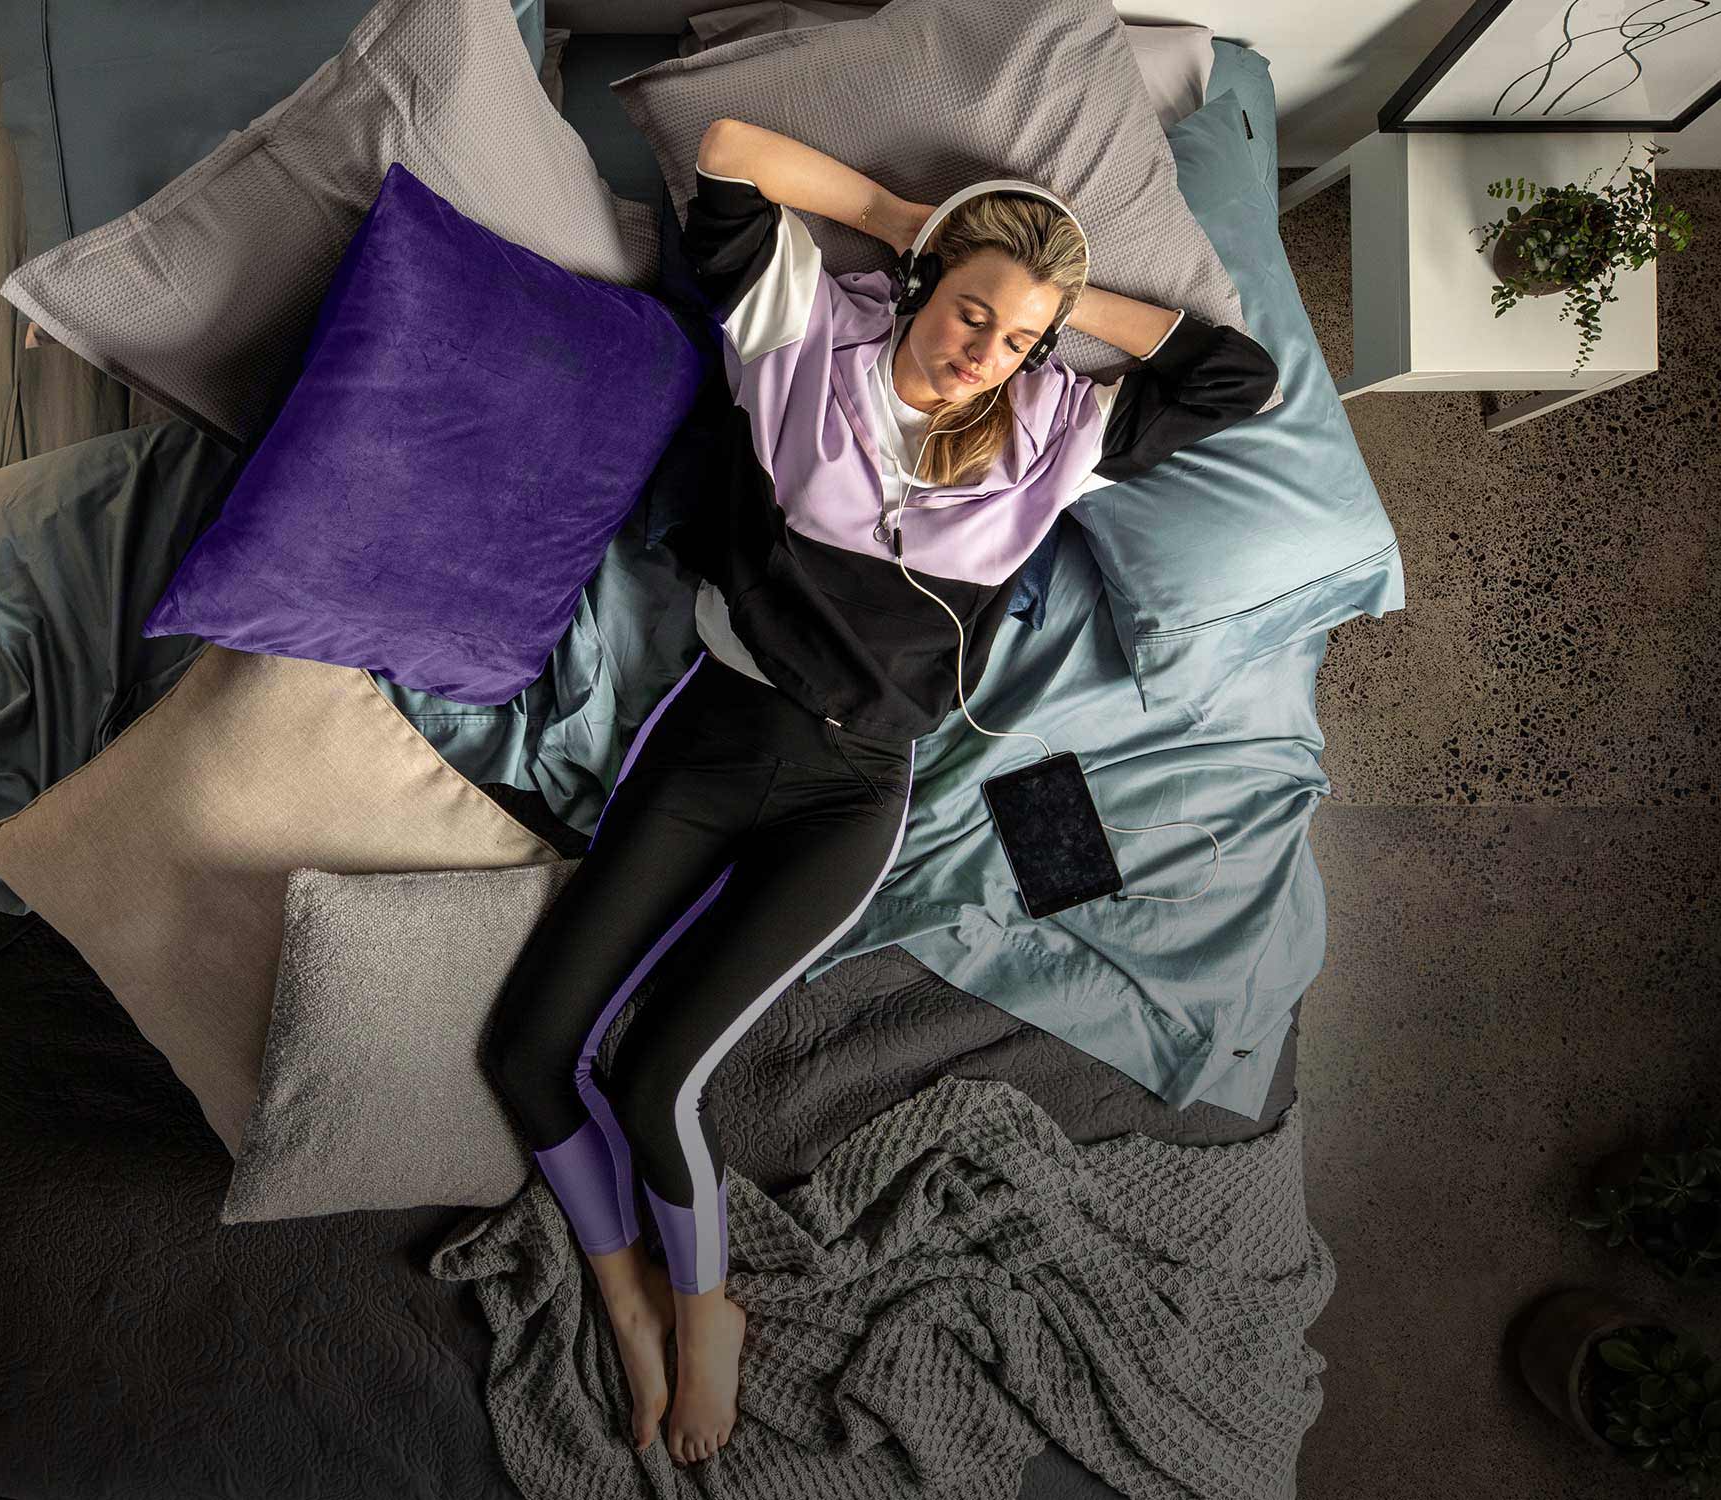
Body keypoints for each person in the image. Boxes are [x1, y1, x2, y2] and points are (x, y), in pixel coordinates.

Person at [475, 117, 1278, 1466]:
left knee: (660, 1074)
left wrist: (1055, 306)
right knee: (526, 1048)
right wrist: (921, 227)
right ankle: (625, 1299)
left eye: (1016, 341)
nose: (985, 355)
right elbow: (731, 154)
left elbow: (1233, 374)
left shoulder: (1056, 432)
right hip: (712, 743)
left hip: (852, 792)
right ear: (923, 284)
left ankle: (706, 1310)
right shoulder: (800, 332)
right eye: (972, 315)